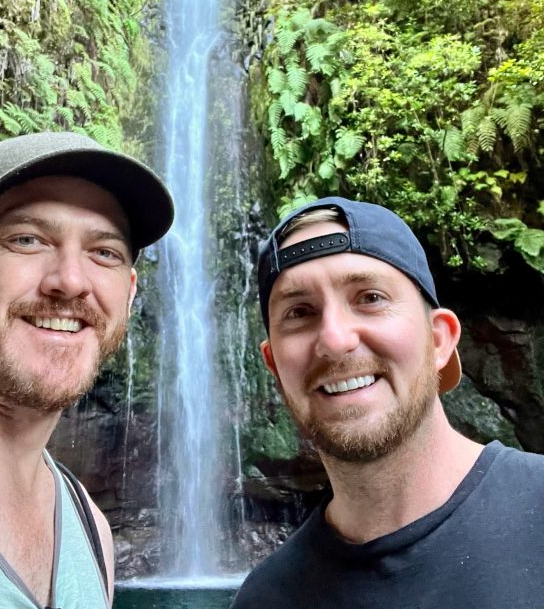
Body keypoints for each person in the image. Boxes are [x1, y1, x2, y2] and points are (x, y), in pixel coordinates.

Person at [232, 196, 544, 609]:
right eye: (300, 311)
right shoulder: (265, 599)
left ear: (439, 339)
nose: (335, 340)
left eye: (370, 298)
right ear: (274, 366)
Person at [0, 131, 173, 609]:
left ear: (129, 292)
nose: (69, 281)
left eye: (104, 252)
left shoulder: (92, 535)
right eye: (27, 240)